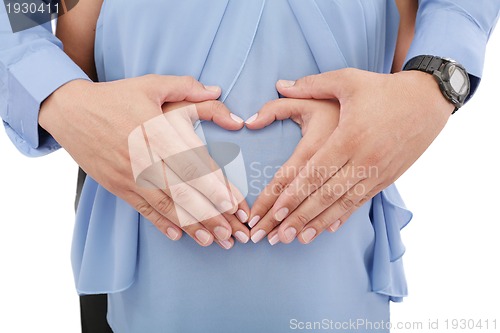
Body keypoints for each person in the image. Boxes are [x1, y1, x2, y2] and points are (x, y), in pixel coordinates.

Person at [1, 0, 499, 332]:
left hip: (338, 281)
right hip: (137, 270)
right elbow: (19, 12)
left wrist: (435, 80)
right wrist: (56, 93)